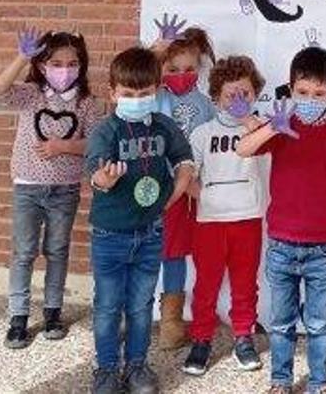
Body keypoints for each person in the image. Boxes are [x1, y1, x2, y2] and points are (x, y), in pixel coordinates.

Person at [236, 46, 326, 394]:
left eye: (319, 94)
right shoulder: (280, 128)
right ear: (291, 89)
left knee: (320, 323)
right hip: (280, 247)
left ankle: (320, 383)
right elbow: (243, 149)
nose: (310, 99)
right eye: (303, 92)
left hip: (322, 251)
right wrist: (273, 127)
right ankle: (280, 380)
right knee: (281, 323)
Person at [85, 46, 195, 394]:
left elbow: (184, 160)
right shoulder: (106, 131)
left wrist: (174, 194)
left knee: (141, 305)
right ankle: (106, 369)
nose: (136, 100)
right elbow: (94, 173)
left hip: (151, 233)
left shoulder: (164, 126)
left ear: (157, 90)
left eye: (144, 93)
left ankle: (137, 365)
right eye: (128, 94)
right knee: (107, 306)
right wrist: (105, 179)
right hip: (110, 235)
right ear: (113, 93)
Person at [0, 28, 98, 349]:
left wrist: (63, 146)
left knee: (57, 251)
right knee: (24, 252)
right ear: (42, 65)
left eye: (72, 64)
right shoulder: (30, 94)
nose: (64, 70)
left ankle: (53, 313)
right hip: (28, 187)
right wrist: (21, 58)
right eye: (56, 63)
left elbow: (94, 143)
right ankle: (18, 317)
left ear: (81, 66)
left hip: (65, 190)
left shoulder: (86, 102)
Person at [183, 55, 269, 377]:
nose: (238, 100)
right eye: (231, 95)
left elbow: (274, 152)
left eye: (245, 93)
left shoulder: (262, 129)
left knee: (245, 283)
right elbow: (188, 176)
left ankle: (243, 336)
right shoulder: (202, 133)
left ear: (255, 94)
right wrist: (207, 197)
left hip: (248, 218)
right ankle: (201, 339)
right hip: (210, 222)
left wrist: (252, 123)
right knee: (206, 284)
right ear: (216, 97)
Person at [151, 24, 217, 349]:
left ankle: (205, 314)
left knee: (206, 252)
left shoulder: (206, 104)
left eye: (189, 69)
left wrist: (198, 183)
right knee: (172, 253)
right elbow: (136, 76)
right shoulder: (154, 97)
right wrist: (157, 51)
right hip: (166, 191)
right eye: (173, 69)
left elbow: (212, 147)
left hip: (198, 191)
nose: (181, 75)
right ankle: (171, 323)